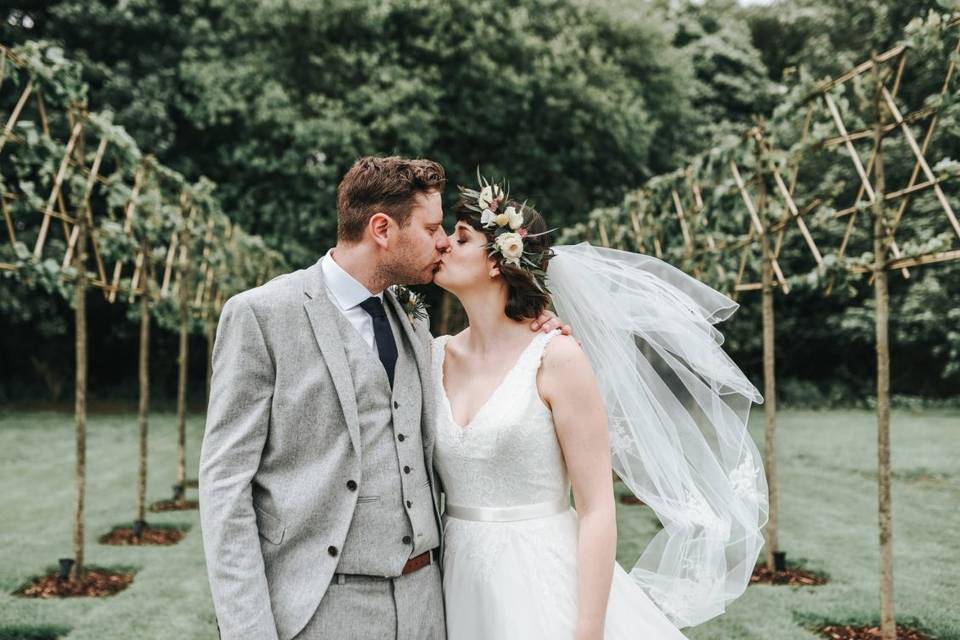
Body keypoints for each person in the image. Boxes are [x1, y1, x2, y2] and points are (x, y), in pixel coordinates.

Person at [198, 157, 568, 640]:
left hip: (428, 603)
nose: (442, 242)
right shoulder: (263, 316)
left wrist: (537, 331)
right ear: (381, 228)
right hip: (320, 607)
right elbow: (226, 485)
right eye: (433, 227)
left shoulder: (414, 322)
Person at [431, 175, 768, 639]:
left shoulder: (557, 357)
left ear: (498, 262)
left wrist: (588, 629)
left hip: (542, 581)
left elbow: (596, 508)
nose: (443, 245)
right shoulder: (431, 357)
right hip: (455, 584)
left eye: (461, 237)